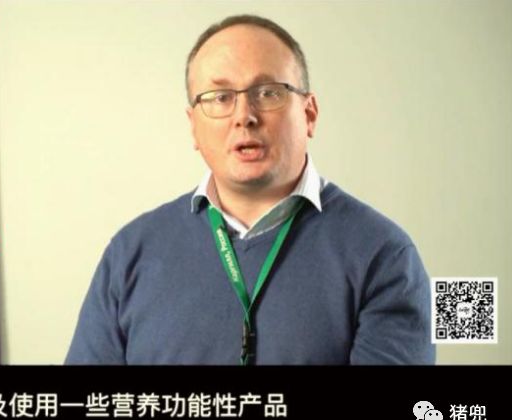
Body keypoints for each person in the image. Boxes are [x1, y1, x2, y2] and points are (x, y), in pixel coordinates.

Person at [66, 14, 435, 365]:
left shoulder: (384, 254)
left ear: (309, 114)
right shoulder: (130, 252)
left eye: (268, 92)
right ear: (193, 126)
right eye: (220, 97)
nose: (244, 116)